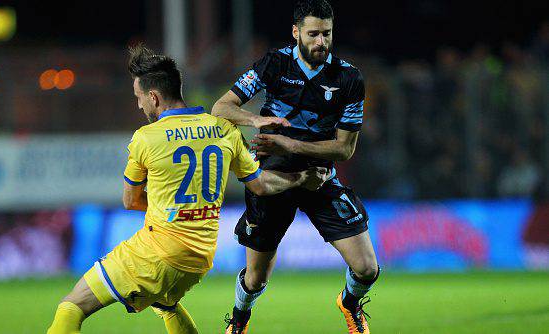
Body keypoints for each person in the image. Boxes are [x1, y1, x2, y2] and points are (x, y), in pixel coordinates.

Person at [46, 44, 328, 334]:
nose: (138, 105)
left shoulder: (146, 138)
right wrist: (302, 178)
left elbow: (130, 201)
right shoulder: (223, 129)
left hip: (156, 252)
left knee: (72, 306)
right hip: (199, 258)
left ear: (153, 97)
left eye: (139, 97)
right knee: (166, 305)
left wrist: (169, 209)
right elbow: (261, 185)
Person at [212, 1, 379, 333]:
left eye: (327, 34)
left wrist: (288, 142)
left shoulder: (348, 79)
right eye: (313, 34)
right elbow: (221, 108)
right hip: (274, 177)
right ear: (296, 33)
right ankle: (240, 317)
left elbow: (344, 148)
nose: (320, 42)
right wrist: (257, 119)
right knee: (257, 278)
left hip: (319, 177)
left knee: (366, 269)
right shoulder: (274, 64)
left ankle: (349, 302)